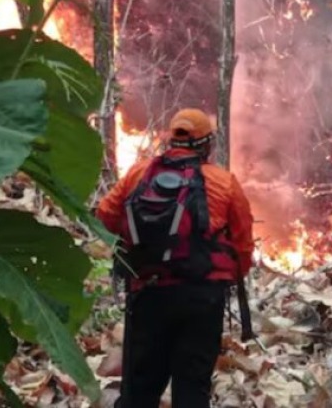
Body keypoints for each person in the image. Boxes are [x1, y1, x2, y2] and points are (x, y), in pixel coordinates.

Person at [96, 108, 255, 408]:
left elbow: (105, 216)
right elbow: (243, 245)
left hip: (147, 294)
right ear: (208, 144)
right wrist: (230, 278)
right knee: (192, 388)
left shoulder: (138, 174)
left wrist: (142, 249)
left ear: (171, 140)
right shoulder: (224, 183)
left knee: (139, 390)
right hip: (202, 298)